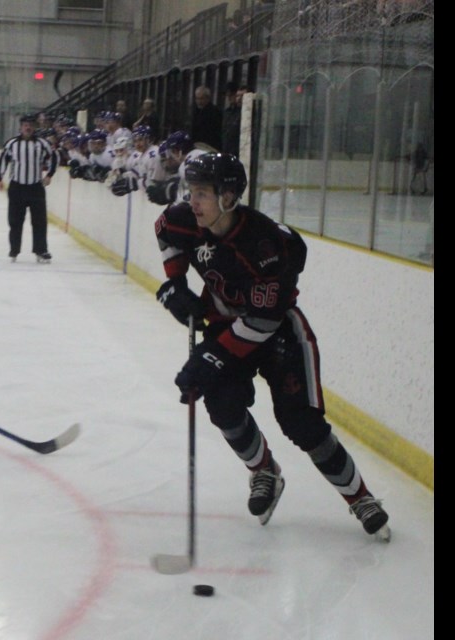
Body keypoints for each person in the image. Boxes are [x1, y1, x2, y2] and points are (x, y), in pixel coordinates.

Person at [153, 152, 391, 540]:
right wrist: (174, 283)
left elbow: (264, 320)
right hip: (227, 326)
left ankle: (361, 498)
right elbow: (165, 231)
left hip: (279, 332)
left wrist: (211, 356)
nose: (192, 201)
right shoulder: (185, 219)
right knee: (221, 403)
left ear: (228, 197)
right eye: (191, 191)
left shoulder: (263, 245)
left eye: (202, 194)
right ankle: (264, 472)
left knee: (302, 423)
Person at [0, 113, 59, 263]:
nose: (28, 127)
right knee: (15, 221)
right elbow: (3, 160)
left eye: (30, 125)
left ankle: (41, 250)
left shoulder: (42, 143)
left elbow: (53, 157)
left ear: (35, 127)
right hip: (17, 187)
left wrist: (49, 174)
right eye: (25, 125)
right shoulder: (12, 144)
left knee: (39, 221)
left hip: (36, 187)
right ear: (20, 127)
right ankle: (14, 250)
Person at [189, 86, 223, 151]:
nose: (199, 101)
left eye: (201, 99)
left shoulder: (215, 112)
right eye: (197, 99)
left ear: (208, 98)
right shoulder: (196, 111)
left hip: (210, 147)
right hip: (197, 146)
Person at [222, 83, 245, 156]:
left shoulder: (241, 112)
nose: (229, 98)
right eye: (227, 96)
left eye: (231, 95)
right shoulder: (227, 112)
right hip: (227, 148)